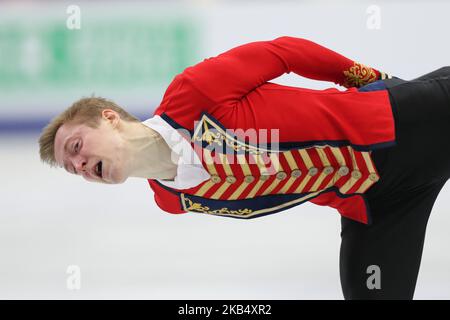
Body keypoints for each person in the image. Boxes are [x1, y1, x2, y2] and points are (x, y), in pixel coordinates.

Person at [38, 36, 450, 299]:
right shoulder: (172, 199)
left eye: (76, 146)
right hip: (374, 205)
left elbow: (286, 52)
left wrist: (377, 80)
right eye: (73, 168)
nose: (79, 164)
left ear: (109, 118)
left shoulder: (192, 95)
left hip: (403, 125)